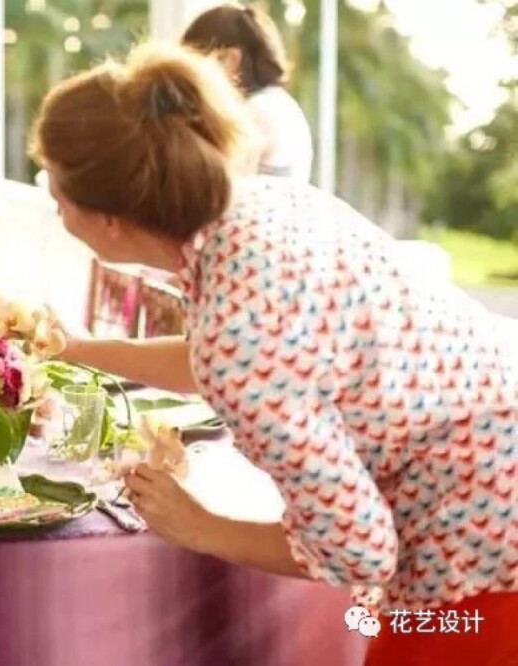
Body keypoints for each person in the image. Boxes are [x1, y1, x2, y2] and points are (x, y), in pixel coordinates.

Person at [30, 42, 518, 666]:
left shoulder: (238, 331)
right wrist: (79, 349)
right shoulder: (258, 209)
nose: (53, 206)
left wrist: (197, 527)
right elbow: (238, 357)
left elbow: (360, 551)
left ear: (110, 222)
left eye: (58, 191)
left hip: (483, 562)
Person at [182, 3, 313, 181]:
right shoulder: (276, 102)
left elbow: (218, 186)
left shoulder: (258, 111)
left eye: (194, 65)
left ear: (232, 59)